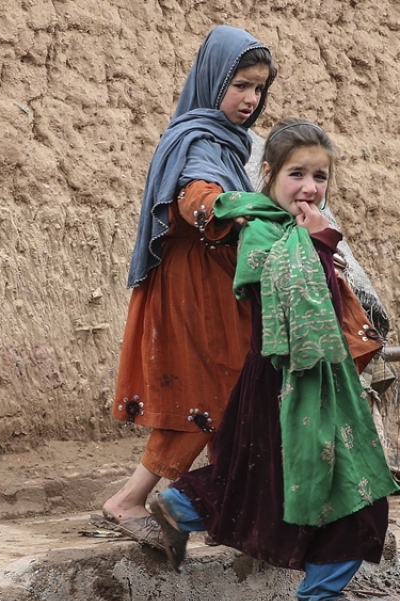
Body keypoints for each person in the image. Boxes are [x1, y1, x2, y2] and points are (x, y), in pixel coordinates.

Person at [147, 119, 400, 601]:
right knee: (357, 488)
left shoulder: (294, 230)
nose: (309, 187)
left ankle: (180, 507)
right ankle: (320, 597)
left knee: (262, 480)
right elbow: (295, 302)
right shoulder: (264, 229)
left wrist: (318, 240)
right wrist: (321, 243)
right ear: (268, 173)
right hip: (289, 381)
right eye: (296, 174)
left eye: (320, 177)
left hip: (304, 380)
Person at [97, 26, 276, 547]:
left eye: (259, 88)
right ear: (213, 80)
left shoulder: (226, 141)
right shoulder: (197, 139)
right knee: (215, 394)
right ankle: (130, 501)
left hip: (215, 286)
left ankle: (225, 514)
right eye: (240, 85)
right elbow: (196, 193)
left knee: (232, 396)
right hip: (192, 289)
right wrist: (227, 208)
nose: (250, 99)